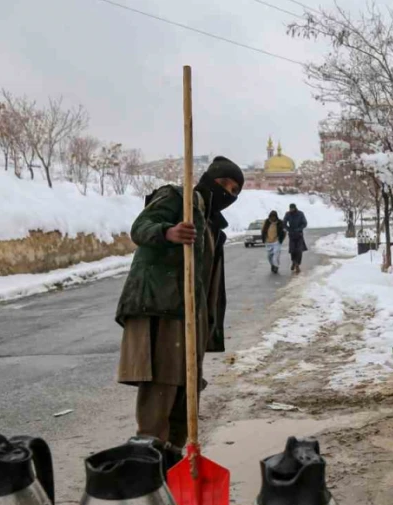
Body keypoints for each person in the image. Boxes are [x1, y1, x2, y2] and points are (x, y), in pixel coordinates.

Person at [115, 156, 242, 448]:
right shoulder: (177, 198)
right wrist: (167, 232)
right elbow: (140, 227)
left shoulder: (213, 226)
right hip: (163, 306)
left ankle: (174, 462)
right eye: (224, 184)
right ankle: (149, 458)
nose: (228, 193)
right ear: (209, 179)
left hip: (193, 314)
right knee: (163, 383)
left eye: (235, 190)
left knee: (188, 390)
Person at [284, 203, 308, 274]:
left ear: (295, 208)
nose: (291, 210)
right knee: (292, 250)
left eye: (292, 208)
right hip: (291, 235)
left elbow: (305, 223)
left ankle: (297, 264)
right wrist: (288, 229)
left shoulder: (300, 214)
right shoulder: (288, 214)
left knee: (299, 250)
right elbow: (284, 223)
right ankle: (294, 262)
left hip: (299, 235)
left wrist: (299, 229)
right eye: (290, 208)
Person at [261, 210, 285, 274]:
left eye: (274, 217)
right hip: (268, 242)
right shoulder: (266, 222)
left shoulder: (280, 222)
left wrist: (281, 240)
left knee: (276, 255)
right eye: (271, 217)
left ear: (276, 217)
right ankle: (272, 265)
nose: (272, 218)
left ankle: (276, 267)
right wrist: (264, 238)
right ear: (269, 216)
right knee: (269, 256)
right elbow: (263, 230)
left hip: (276, 242)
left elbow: (284, 232)